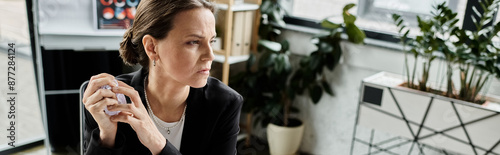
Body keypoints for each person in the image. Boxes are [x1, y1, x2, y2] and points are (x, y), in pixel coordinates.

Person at [81, 0, 243, 154]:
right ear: (152, 48)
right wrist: (107, 137)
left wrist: (157, 142)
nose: (210, 55)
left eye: (212, 41)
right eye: (194, 42)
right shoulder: (110, 100)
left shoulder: (224, 103)